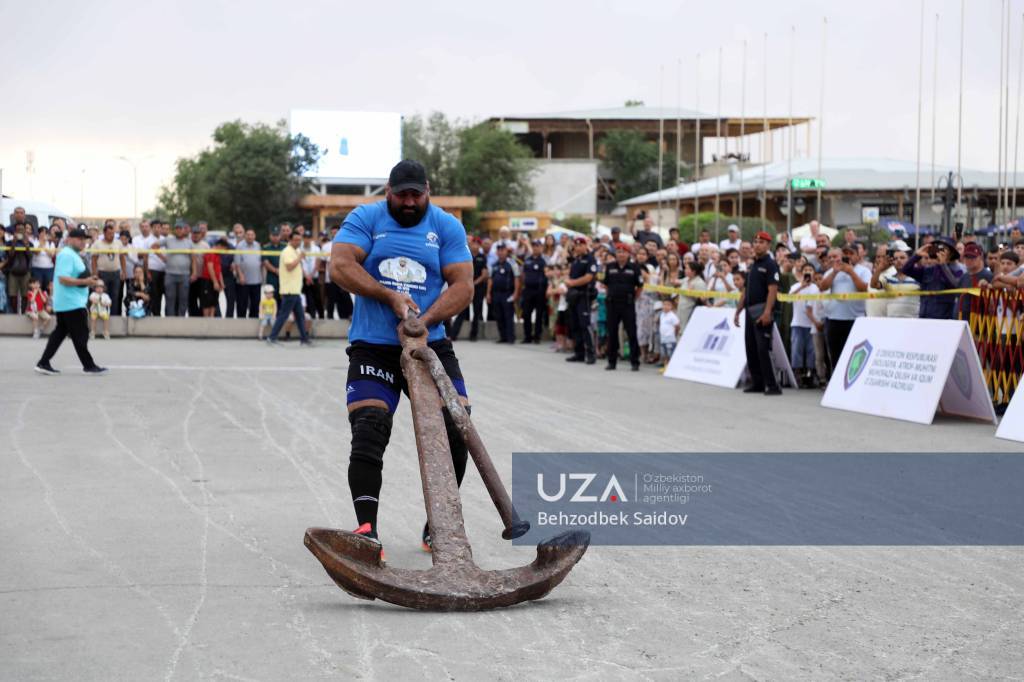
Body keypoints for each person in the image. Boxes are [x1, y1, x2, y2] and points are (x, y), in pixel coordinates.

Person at [328, 159, 474, 553]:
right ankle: (366, 530)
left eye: (416, 195)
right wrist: (388, 295)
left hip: (429, 343)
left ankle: (437, 526)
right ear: (388, 192)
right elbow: (340, 265)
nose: (409, 202)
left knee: (457, 426)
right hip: (374, 344)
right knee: (370, 425)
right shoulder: (366, 217)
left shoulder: (446, 226)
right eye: (401, 195)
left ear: (428, 191)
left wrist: (425, 320)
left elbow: (463, 286)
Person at [36, 228, 106, 375]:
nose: (83, 242)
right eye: (80, 239)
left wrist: (88, 280)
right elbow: (63, 279)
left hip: (69, 302)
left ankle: (43, 363)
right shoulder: (67, 255)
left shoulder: (72, 255)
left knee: (60, 334)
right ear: (69, 239)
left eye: (85, 239)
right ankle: (89, 365)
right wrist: (86, 281)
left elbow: (72, 277)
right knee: (80, 334)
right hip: (71, 303)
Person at [734, 231, 782, 395]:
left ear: (768, 245)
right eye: (755, 242)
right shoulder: (752, 265)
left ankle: (773, 385)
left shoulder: (770, 264)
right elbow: (746, 290)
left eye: (761, 242)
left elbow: (773, 290)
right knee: (751, 348)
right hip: (750, 312)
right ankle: (758, 383)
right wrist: (738, 310)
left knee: (763, 349)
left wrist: (768, 312)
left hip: (763, 311)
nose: (757, 245)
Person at [819, 245, 871, 373]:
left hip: (855, 320)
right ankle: (836, 382)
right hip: (833, 320)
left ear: (858, 255)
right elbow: (822, 287)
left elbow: (864, 288)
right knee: (835, 357)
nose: (848, 256)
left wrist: (851, 272)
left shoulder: (863, 271)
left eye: (851, 253)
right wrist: (834, 272)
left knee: (855, 358)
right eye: (845, 254)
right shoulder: (832, 270)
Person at [901, 236, 965, 320]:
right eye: (938, 248)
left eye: (944, 248)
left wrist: (943, 265)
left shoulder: (958, 271)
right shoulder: (928, 270)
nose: (940, 251)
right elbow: (906, 270)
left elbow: (955, 285)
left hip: (944, 320)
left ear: (951, 253)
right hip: (924, 318)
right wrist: (917, 255)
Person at [265, 231, 312, 345]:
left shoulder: (297, 251)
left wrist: (306, 275)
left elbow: (299, 266)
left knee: (300, 316)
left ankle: (304, 338)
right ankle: (272, 337)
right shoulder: (287, 251)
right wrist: (299, 257)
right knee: (284, 315)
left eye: (299, 240)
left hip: (295, 289)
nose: (298, 242)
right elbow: (289, 267)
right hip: (289, 289)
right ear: (290, 240)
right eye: (295, 240)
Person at [602, 245, 644, 371]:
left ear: (628, 254)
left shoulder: (634, 267)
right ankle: (612, 362)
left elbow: (640, 286)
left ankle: (635, 362)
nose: (621, 254)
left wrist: (633, 298)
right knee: (612, 332)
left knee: (631, 333)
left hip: (627, 304)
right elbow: (606, 284)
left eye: (623, 252)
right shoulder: (610, 267)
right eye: (619, 252)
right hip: (612, 304)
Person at [565, 237, 598, 364]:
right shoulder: (576, 260)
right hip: (574, 296)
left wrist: (572, 283)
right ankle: (579, 353)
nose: (578, 248)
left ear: (585, 246)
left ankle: (591, 354)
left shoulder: (590, 259)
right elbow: (570, 274)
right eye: (576, 246)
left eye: (580, 245)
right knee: (575, 325)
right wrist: (568, 281)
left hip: (584, 295)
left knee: (585, 325)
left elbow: (589, 277)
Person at [449, 235, 488, 341]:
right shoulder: (466, 255)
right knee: (462, 311)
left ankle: (473, 335)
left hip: (478, 288)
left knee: (476, 312)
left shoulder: (482, 257)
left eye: (477, 244)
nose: (475, 246)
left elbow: (484, 274)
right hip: (466, 288)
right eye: (473, 243)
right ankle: (453, 335)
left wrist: (473, 283)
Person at [788, 263, 819, 388]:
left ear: (814, 273)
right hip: (797, 323)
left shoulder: (816, 288)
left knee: (812, 351)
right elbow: (788, 299)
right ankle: (797, 374)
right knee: (797, 350)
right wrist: (801, 286)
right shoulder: (795, 286)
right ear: (801, 273)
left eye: (810, 269)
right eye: (806, 270)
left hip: (812, 324)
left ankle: (810, 374)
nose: (808, 272)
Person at [91, 223, 126, 317]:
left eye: (113, 233)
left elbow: (122, 258)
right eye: (109, 233)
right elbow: (94, 259)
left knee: (115, 296)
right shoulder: (97, 243)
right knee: (102, 296)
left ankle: (114, 317)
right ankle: (103, 315)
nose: (111, 235)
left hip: (116, 273)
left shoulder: (118, 243)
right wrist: (94, 273)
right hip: (102, 273)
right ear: (104, 233)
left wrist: (123, 271)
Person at [486, 242, 520, 343]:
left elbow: (517, 279)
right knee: (498, 316)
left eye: (503, 250)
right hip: (496, 294)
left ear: (506, 251)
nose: (500, 252)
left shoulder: (512, 263)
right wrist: (488, 293)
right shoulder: (494, 265)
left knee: (508, 316)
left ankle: (510, 337)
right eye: (499, 250)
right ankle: (503, 337)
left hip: (507, 293)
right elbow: (490, 280)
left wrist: (516, 293)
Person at [163, 221, 194, 316]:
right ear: (174, 230)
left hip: (184, 275)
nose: (179, 230)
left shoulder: (189, 242)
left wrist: (194, 273)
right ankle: (171, 319)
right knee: (170, 298)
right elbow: (154, 246)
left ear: (184, 230)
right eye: (177, 228)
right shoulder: (168, 240)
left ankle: (181, 319)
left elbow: (193, 259)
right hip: (170, 274)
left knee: (183, 299)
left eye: (180, 228)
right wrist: (162, 258)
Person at [520, 239, 548, 343]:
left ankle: (537, 336)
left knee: (539, 315)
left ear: (541, 247)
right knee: (526, 314)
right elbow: (523, 274)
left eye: (537, 246)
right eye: (534, 246)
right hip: (528, 290)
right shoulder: (528, 260)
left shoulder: (544, 261)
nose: (535, 248)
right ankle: (527, 336)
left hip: (540, 290)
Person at [233, 227, 263, 318]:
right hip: (243, 281)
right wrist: (240, 275)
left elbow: (260, 261)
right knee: (242, 304)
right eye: (248, 235)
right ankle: (241, 323)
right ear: (245, 235)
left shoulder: (258, 245)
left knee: (255, 304)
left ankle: (253, 322)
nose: (250, 237)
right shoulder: (240, 246)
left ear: (255, 236)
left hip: (256, 280)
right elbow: (237, 263)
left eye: (252, 235)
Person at [3, 222, 33, 313]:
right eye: (18, 230)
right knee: (12, 294)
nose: (20, 231)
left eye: (21, 229)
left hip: (25, 271)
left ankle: (23, 312)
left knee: (25, 294)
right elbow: (10, 256)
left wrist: (26, 244)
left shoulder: (29, 243)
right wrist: (14, 243)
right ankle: (15, 313)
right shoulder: (9, 243)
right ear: (14, 231)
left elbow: (30, 256)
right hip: (13, 271)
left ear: (24, 231)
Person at [187, 224, 210, 316]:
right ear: (191, 234)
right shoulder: (187, 244)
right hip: (190, 276)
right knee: (191, 298)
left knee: (203, 298)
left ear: (201, 234)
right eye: (194, 233)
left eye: (197, 233)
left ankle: (201, 317)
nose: (196, 235)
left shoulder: (205, 245)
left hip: (202, 277)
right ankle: (192, 316)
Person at [677, 260, 707, 330]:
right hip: (681, 309)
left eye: (687, 269)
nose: (685, 270)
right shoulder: (686, 279)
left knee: (687, 329)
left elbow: (703, 299)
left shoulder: (699, 283)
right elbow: (676, 282)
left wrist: (692, 293)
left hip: (691, 311)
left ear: (693, 271)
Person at [301, 232, 324, 319]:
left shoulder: (316, 248)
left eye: (308, 238)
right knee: (306, 297)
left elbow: (318, 262)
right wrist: (306, 276)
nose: (306, 240)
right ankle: (310, 316)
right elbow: (300, 264)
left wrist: (311, 276)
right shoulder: (299, 248)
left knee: (317, 297)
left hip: (314, 277)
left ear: (311, 239)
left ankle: (321, 316)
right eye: (305, 238)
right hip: (304, 277)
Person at [200, 239, 226, 317]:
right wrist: (215, 282)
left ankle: (211, 319)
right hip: (207, 281)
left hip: (215, 281)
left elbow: (219, 270)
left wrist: (221, 283)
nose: (223, 251)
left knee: (214, 301)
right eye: (223, 249)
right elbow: (210, 268)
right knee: (206, 302)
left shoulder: (218, 255)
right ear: (219, 246)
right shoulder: (210, 253)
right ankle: (206, 320)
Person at [146, 220, 167, 315]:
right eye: (155, 227)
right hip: (153, 270)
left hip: (164, 271)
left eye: (159, 227)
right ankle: (156, 315)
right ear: (151, 228)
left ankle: (164, 315)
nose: (157, 229)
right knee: (155, 294)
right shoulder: (148, 240)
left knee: (163, 294)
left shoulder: (164, 239)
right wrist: (147, 272)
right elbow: (145, 257)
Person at [657, 298, 680, 369]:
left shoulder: (672, 316)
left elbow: (677, 326)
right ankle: (665, 366)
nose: (666, 306)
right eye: (664, 305)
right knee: (664, 353)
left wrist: (674, 334)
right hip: (663, 338)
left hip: (670, 338)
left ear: (672, 306)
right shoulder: (662, 315)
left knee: (670, 353)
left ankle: (672, 367)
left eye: (668, 305)